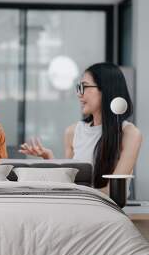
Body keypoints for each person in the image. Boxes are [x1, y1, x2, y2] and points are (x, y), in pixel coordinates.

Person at [19, 62, 142, 195]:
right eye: (79, 88)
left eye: (84, 87)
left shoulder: (130, 134)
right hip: (78, 206)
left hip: (107, 210)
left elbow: (114, 192)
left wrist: (76, 193)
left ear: (106, 89)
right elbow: (69, 184)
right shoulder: (72, 132)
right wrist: (50, 159)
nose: (79, 94)